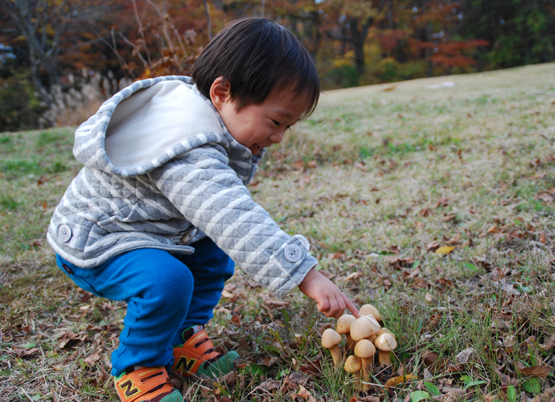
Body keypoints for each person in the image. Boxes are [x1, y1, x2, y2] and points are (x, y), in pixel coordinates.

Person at [47, 17, 360, 402]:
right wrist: (307, 275)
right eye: (276, 121)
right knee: (167, 281)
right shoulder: (188, 145)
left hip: (150, 231)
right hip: (99, 240)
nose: (278, 138)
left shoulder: (207, 116)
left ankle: (182, 337)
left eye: (288, 128)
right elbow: (233, 217)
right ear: (222, 92)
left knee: (212, 255)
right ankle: (138, 366)